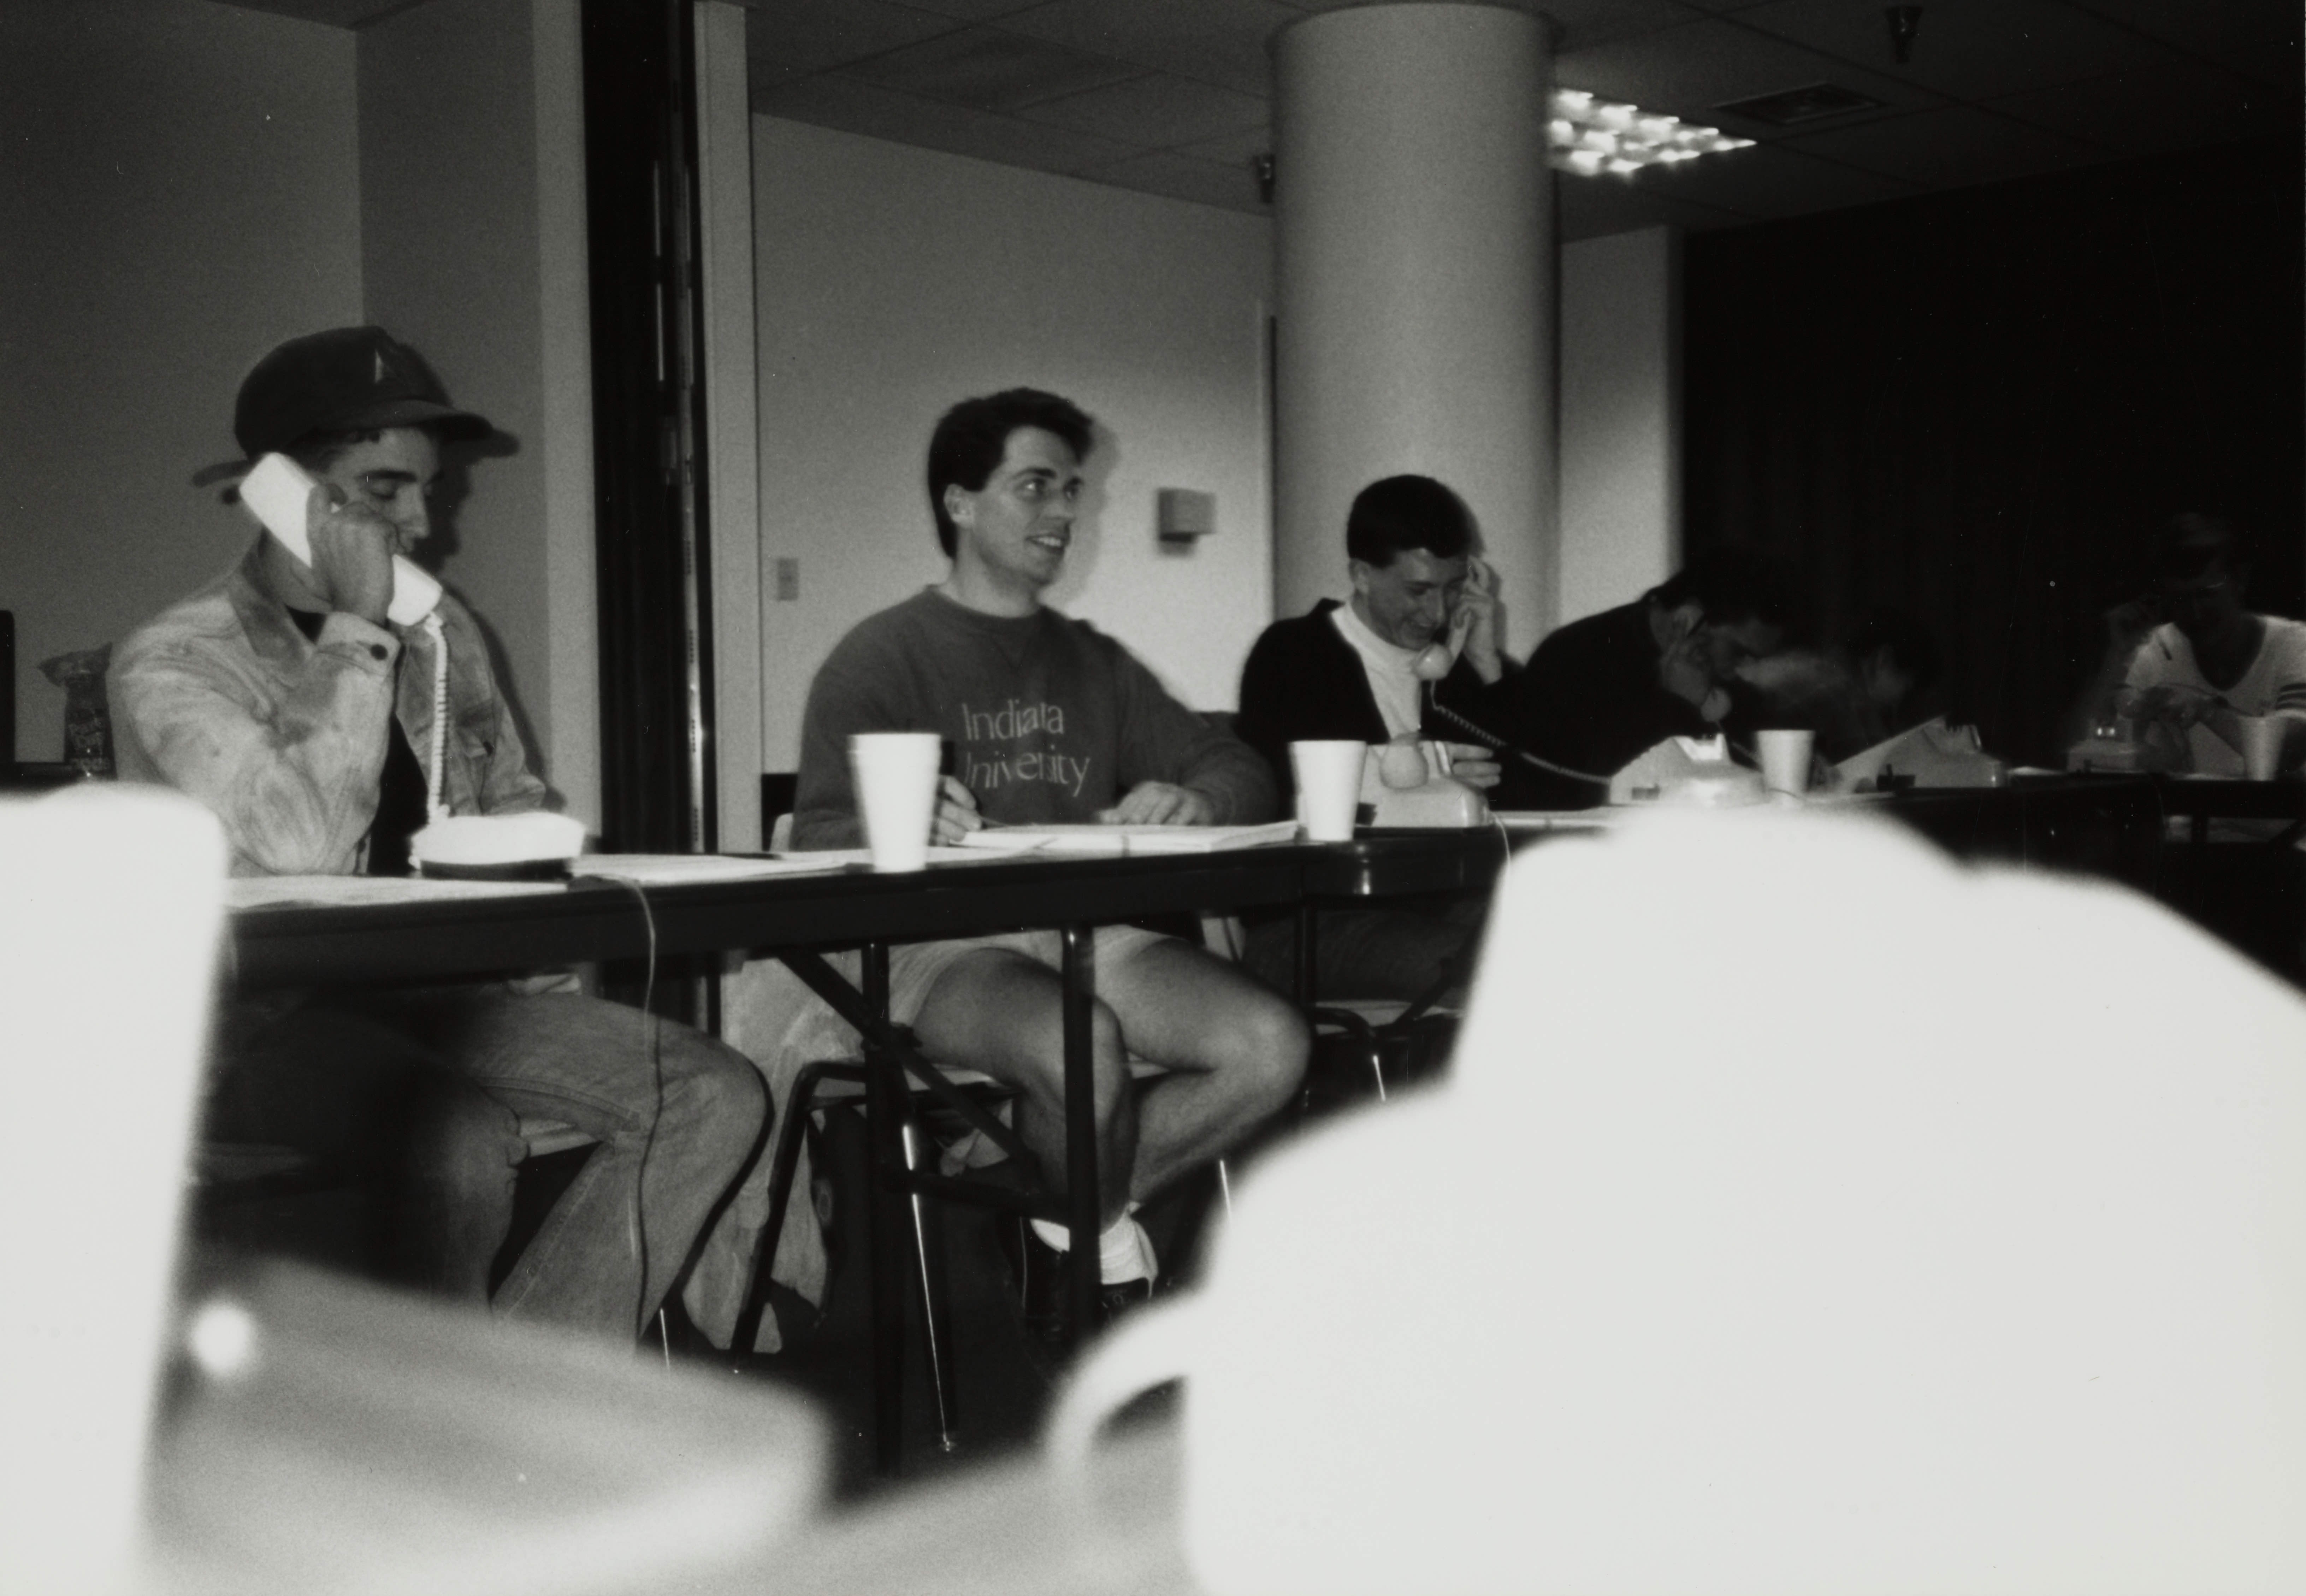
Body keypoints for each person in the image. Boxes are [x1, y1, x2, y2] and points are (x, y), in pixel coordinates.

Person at [110, 326, 765, 1340]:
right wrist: (360, 632)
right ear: (290, 496)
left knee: (713, 1090)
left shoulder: (444, 633)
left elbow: (511, 796)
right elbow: (302, 849)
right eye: (385, 491)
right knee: (455, 1135)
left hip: (440, 995)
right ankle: (460, 1434)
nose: (423, 521)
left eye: (427, 489)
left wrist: (539, 908)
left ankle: (514, 1408)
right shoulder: (174, 662)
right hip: (259, 1022)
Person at [781, 387, 1308, 1331]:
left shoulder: (1093, 660)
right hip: (937, 945)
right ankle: (1086, 1257)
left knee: (1271, 1045)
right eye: (1036, 488)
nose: (1064, 514)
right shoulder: (881, 655)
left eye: (1071, 491)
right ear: (959, 502)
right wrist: (892, 821)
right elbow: (812, 832)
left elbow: (1239, 766)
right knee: (1083, 1045)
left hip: (1086, 933)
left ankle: (1051, 1214)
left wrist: (1201, 795)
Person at [1234, 474, 1505, 1001]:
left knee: (1571, 944)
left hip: (1437, 903)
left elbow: (1528, 791)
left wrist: (1488, 664)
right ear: (1361, 575)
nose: (1439, 615)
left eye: (1453, 590)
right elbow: (1291, 795)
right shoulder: (1294, 653)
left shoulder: (1461, 672)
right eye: (1418, 591)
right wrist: (1433, 764)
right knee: (1502, 979)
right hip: (1317, 920)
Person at [1495, 547, 1798, 809]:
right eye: (1739, 652)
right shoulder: (1580, 655)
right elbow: (1602, 785)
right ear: (1688, 619)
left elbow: (1750, 757)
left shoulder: (1714, 667)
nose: (1742, 669)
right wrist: (1677, 704)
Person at [2065, 513, 2306, 775]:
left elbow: (2293, 750)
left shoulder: (2294, 644)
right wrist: (2116, 658)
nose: (2196, 613)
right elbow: (2078, 755)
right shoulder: (2155, 648)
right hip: (2192, 816)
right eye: (2181, 599)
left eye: (2207, 595)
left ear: (2240, 581)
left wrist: (2205, 709)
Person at [1740, 604, 1942, 762]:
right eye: (1906, 687)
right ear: (1883, 660)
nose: (1899, 702)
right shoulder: (1839, 689)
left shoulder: (1814, 667)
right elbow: (1866, 776)